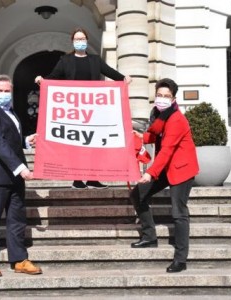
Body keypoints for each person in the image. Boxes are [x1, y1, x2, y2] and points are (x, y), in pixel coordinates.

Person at [35, 27, 132, 190]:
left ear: (87, 41)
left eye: (82, 39)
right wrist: (41, 80)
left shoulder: (95, 60)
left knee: (94, 145)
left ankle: (93, 179)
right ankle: (77, 179)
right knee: (76, 146)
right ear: (73, 42)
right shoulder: (65, 60)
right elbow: (53, 77)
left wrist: (123, 78)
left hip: (94, 111)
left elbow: (110, 72)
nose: (80, 42)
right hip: (74, 111)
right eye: (77, 39)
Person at [130, 78, 199, 273]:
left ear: (174, 98)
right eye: (159, 95)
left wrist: (150, 173)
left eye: (166, 96)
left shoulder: (176, 119)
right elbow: (155, 134)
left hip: (181, 169)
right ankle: (149, 237)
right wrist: (139, 136)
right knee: (138, 194)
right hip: (166, 167)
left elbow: (167, 149)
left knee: (178, 213)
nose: (161, 99)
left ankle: (181, 259)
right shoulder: (161, 115)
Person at [0, 74, 42, 277]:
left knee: (17, 219)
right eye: (0, 91)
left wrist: (25, 141)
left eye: (7, 91)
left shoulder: (11, 112)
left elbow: (10, 139)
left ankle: (19, 259)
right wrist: (21, 167)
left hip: (14, 177)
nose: (4, 94)